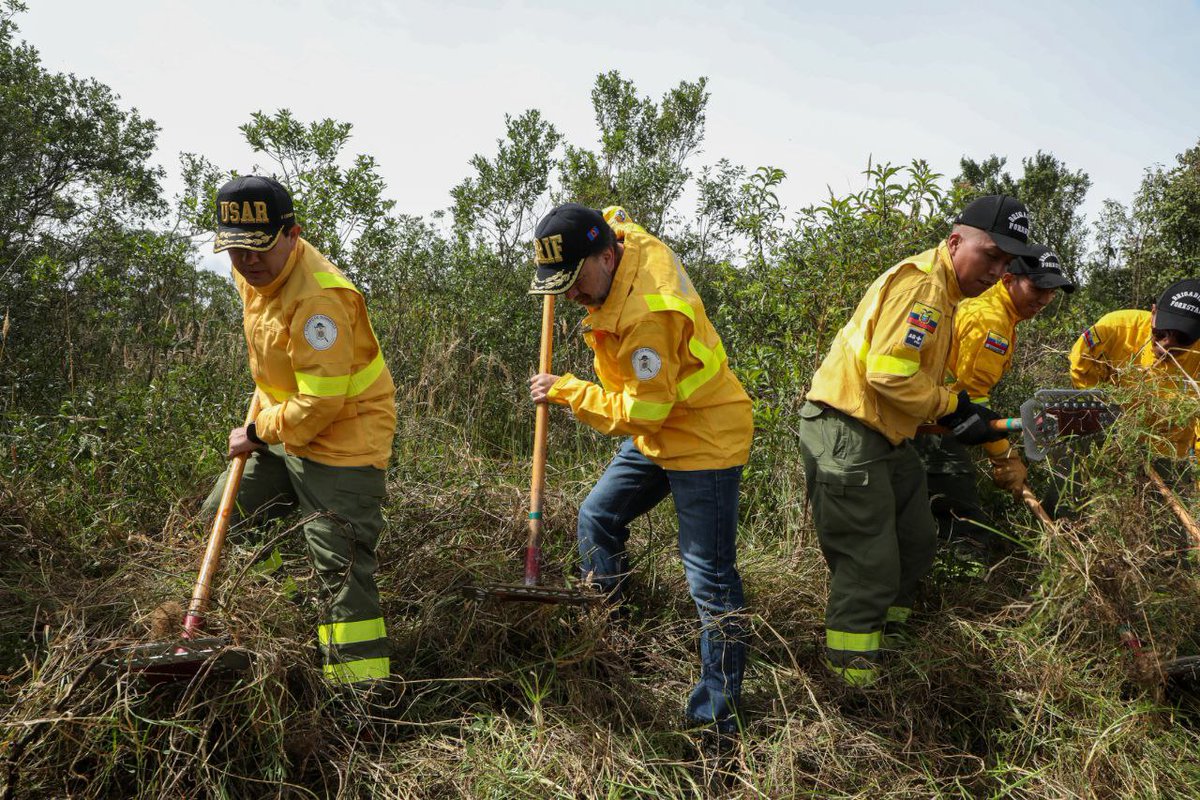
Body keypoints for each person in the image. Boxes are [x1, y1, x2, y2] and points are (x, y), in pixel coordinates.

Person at [527, 203, 753, 734]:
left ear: (608, 257)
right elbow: (615, 215)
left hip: (702, 437)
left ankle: (715, 720)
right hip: (659, 431)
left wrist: (567, 390)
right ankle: (609, 640)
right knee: (597, 517)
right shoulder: (617, 240)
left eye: (575, 281)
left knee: (710, 580)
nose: (570, 296)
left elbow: (642, 411)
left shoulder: (648, 313)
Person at [799, 195, 1038, 687]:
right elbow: (888, 376)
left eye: (1006, 262)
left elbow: (912, 378)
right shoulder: (925, 288)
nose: (997, 271)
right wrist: (953, 409)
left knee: (916, 540)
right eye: (990, 255)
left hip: (885, 434)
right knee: (870, 564)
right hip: (846, 428)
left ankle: (890, 643)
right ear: (955, 242)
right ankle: (853, 687)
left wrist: (964, 411)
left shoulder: (948, 295)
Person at [201, 175, 397, 689]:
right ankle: (261, 623)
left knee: (341, 570)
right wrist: (267, 424)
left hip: (343, 442)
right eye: (236, 250)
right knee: (221, 520)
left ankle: (360, 700)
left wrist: (256, 431)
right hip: (285, 430)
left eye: (259, 249)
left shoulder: (321, 300)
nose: (247, 262)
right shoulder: (252, 271)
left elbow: (321, 402)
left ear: (293, 233)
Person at [916, 244, 1075, 565]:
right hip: (932, 427)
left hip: (938, 420)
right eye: (1037, 287)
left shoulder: (996, 310)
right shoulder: (992, 323)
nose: (1044, 300)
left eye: (1052, 291)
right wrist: (1003, 457)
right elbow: (971, 397)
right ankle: (961, 600)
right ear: (1007, 279)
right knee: (965, 525)